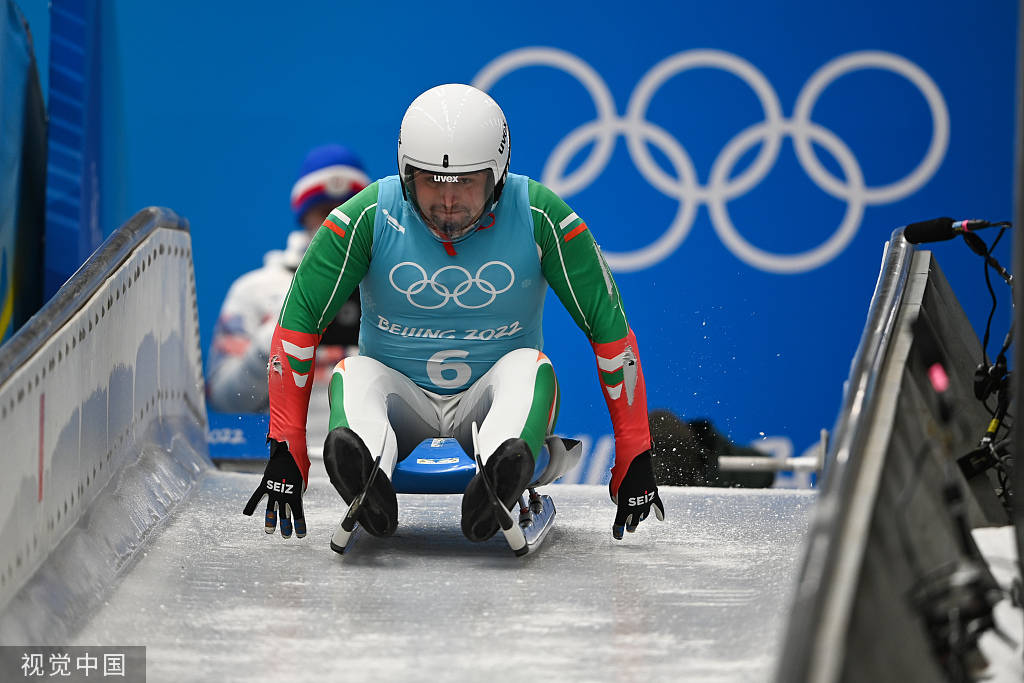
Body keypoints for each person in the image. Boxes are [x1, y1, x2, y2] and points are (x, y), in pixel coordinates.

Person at [242, 84, 665, 543]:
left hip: (494, 405)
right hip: (399, 409)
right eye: (431, 183)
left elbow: (609, 328)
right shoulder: (365, 217)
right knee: (352, 371)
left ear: (497, 176)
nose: (448, 203)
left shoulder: (540, 215)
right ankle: (367, 480)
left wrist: (635, 453)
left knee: (532, 367)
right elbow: (298, 324)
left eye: (466, 183)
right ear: (406, 176)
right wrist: (286, 450)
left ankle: (501, 476)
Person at [206, 144, 369, 413]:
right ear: (305, 216)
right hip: (278, 451)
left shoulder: (392, 286)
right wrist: (277, 334)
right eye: (325, 212)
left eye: (347, 211)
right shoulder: (254, 290)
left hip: (372, 450)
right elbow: (225, 401)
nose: (336, 223)